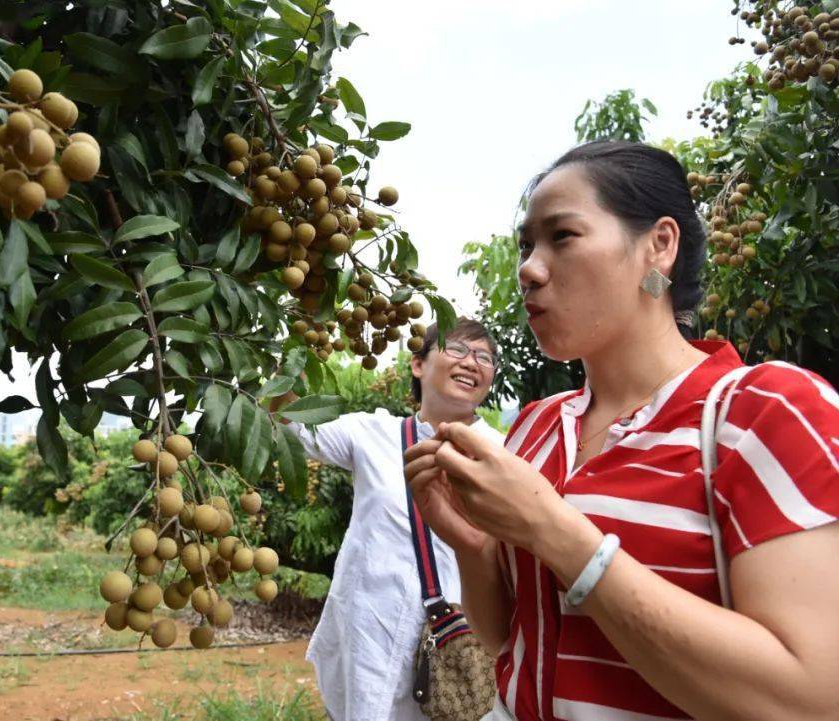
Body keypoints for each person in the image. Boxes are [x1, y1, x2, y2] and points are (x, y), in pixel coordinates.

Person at [404, 140, 839, 721]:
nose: (529, 269)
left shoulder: (766, 411)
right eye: (526, 245)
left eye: (562, 236)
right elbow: (509, 643)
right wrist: (474, 545)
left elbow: (810, 700)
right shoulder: (534, 428)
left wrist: (557, 533)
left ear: (658, 246)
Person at [275, 319, 505, 721]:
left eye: (484, 357)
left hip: (460, 645)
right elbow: (291, 425)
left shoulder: (508, 453)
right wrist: (296, 344)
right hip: (369, 637)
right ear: (418, 364)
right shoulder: (371, 433)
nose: (472, 362)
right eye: (457, 349)